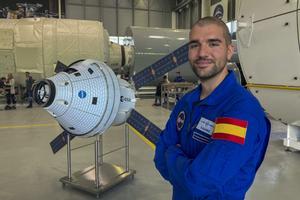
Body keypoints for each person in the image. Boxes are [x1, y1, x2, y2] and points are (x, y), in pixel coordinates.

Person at [154, 16, 270, 200]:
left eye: (213, 43)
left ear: (229, 50)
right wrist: (183, 163)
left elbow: (199, 182)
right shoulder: (187, 101)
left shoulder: (240, 110)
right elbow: (159, 157)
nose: (202, 53)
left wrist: (172, 153)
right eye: (194, 45)